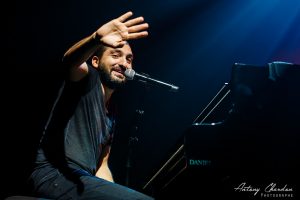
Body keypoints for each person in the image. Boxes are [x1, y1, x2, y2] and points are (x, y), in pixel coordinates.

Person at [27, 11, 154, 200]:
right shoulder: (87, 78)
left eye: (129, 59)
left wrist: (114, 192)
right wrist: (95, 39)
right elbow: (70, 61)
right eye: (116, 55)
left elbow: (102, 165)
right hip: (54, 173)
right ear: (95, 61)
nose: (124, 63)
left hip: (82, 180)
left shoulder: (113, 111)